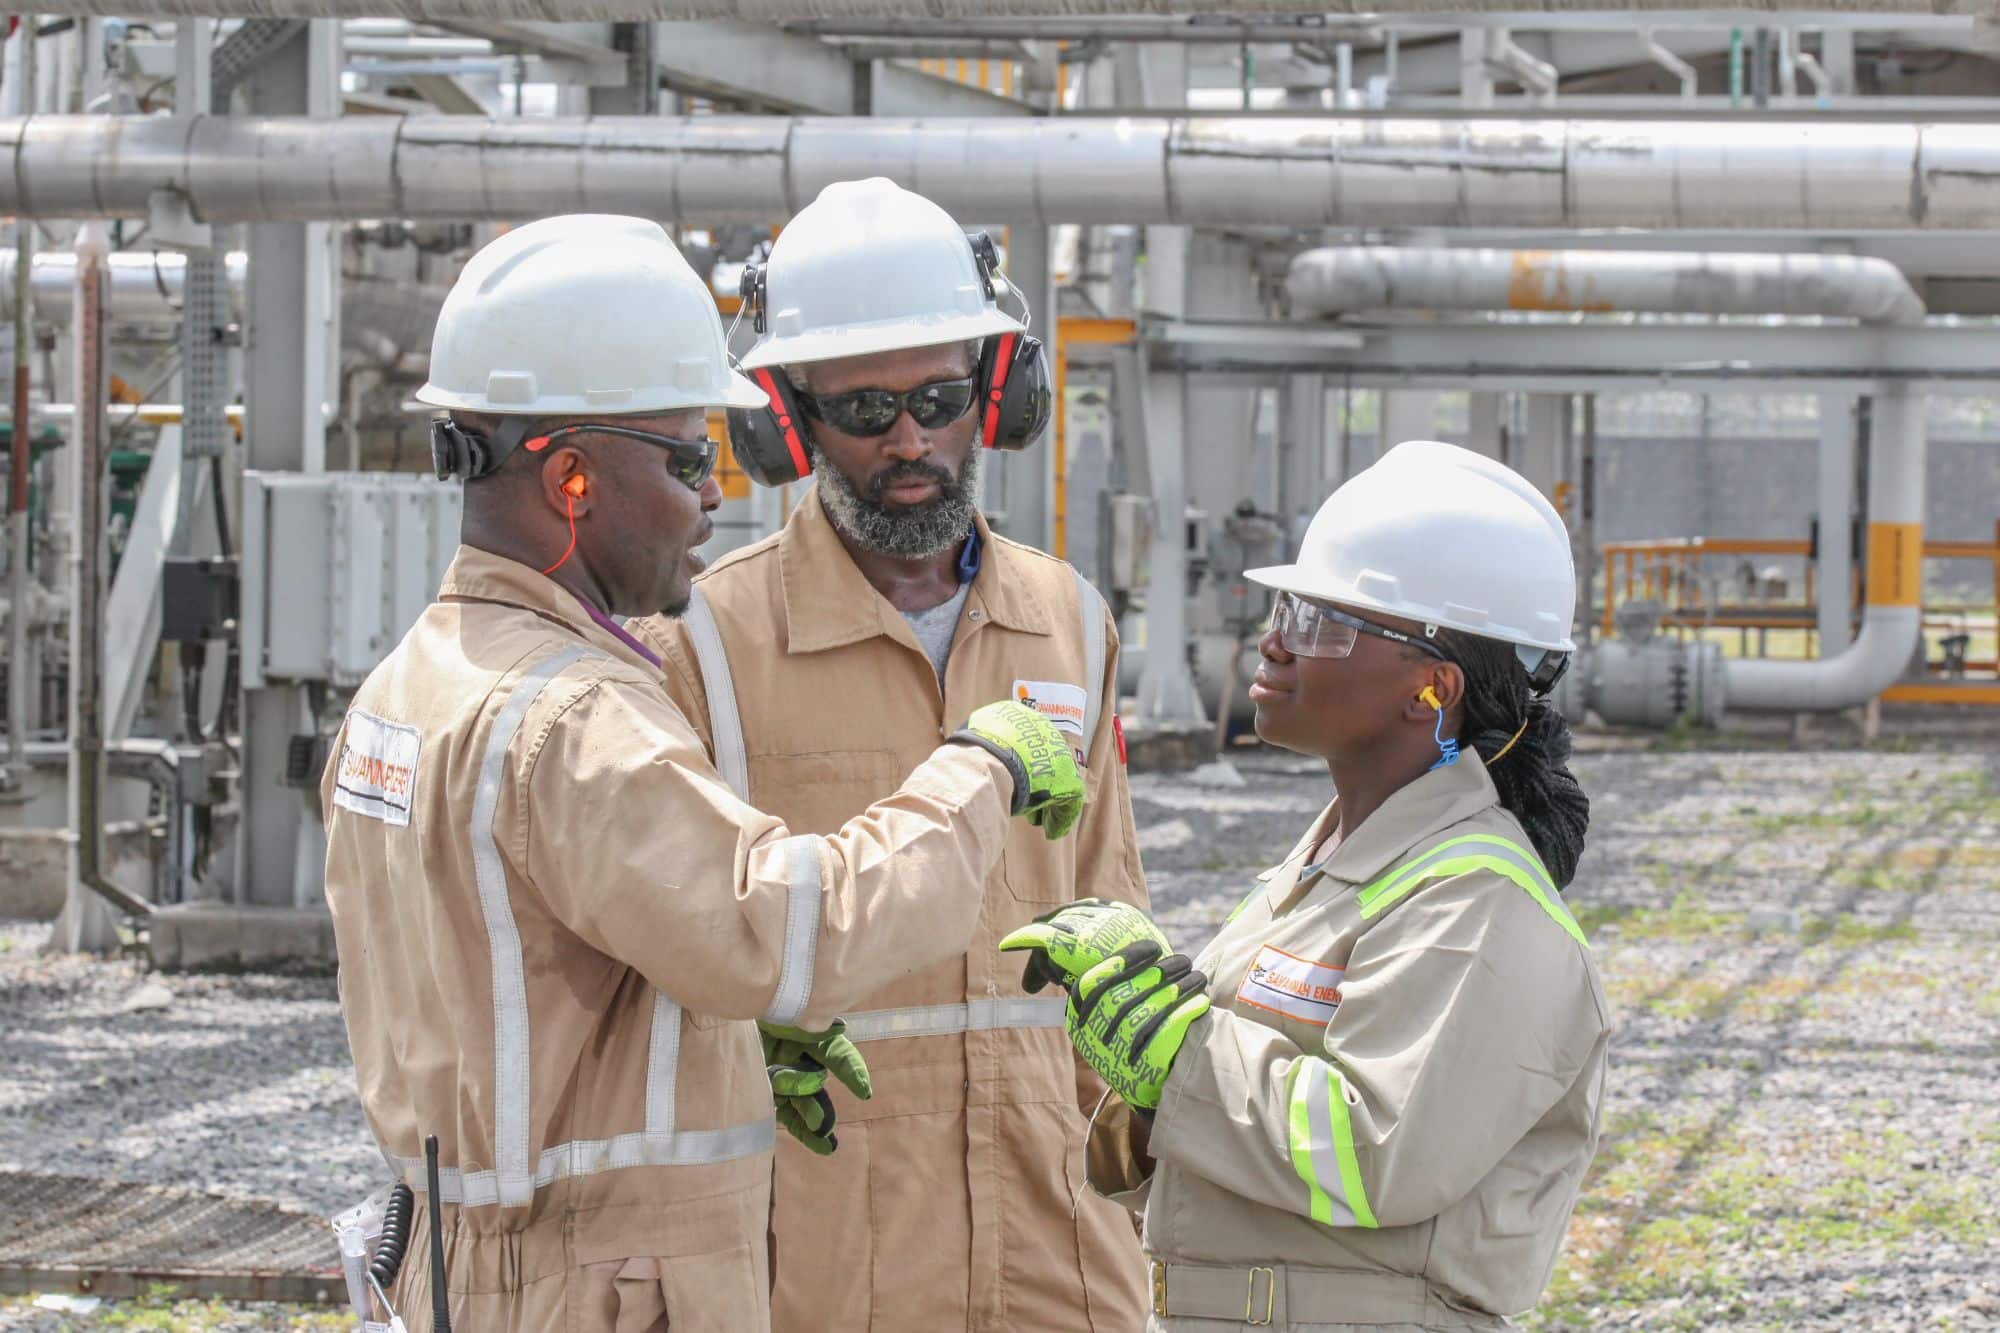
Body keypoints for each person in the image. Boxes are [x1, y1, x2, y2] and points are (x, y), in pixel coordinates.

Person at [319, 213, 1088, 1333]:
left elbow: (548, 972)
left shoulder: (414, 683)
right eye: (686, 459)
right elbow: (786, 934)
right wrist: (977, 766)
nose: (712, 498)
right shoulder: (572, 716)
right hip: (594, 1282)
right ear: (571, 477)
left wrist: (713, 1044)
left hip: (479, 1264)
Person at [630, 178, 1150, 1331]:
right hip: (823, 1258)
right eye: (864, 410)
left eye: (937, 396)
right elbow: (667, 955)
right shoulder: (705, 645)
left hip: (1058, 1251)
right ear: (786, 418)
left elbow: (1111, 905)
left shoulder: (1070, 620)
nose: (909, 439)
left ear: (993, 396)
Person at [1003, 440, 1611, 1331]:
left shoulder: (1480, 906)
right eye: (1285, 605)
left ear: (1431, 687)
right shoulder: (1327, 868)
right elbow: (1226, 1161)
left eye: (1322, 622)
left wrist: (1177, 1055)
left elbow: (1378, 1151)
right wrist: (1133, 1056)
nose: (1275, 639)